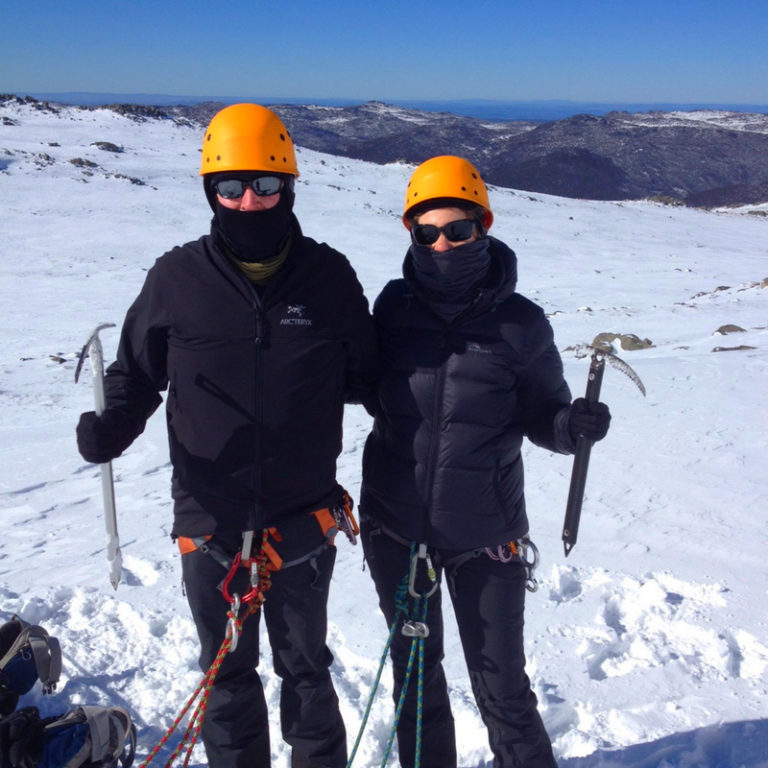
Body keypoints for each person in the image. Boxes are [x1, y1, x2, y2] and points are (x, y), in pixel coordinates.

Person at [76, 103, 378, 768]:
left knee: (307, 671)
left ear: (289, 187)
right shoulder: (177, 279)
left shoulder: (328, 278)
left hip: (303, 523)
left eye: (266, 186)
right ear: (209, 191)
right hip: (209, 522)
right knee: (228, 679)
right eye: (231, 187)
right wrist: (113, 427)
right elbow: (135, 375)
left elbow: (373, 379)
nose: (248, 202)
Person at [359, 155, 611, 768]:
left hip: (485, 534)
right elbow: (357, 382)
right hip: (396, 529)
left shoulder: (521, 324)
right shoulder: (392, 308)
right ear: (411, 233)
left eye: (458, 229)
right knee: (416, 681)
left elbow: (544, 414)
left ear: (484, 227)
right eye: (427, 231)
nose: (443, 242)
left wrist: (571, 428)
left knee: (502, 687)